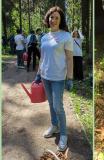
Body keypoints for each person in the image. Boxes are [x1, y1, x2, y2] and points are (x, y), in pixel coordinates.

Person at [34, 6, 73, 151]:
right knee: (50, 103)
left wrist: (69, 78)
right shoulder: (44, 37)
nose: (54, 20)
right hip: (45, 76)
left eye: (57, 18)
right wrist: (38, 74)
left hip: (58, 77)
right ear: (48, 19)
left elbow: (69, 59)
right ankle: (54, 126)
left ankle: (63, 134)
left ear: (60, 20)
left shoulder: (66, 36)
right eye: (51, 17)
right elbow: (42, 57)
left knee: (58, 106)